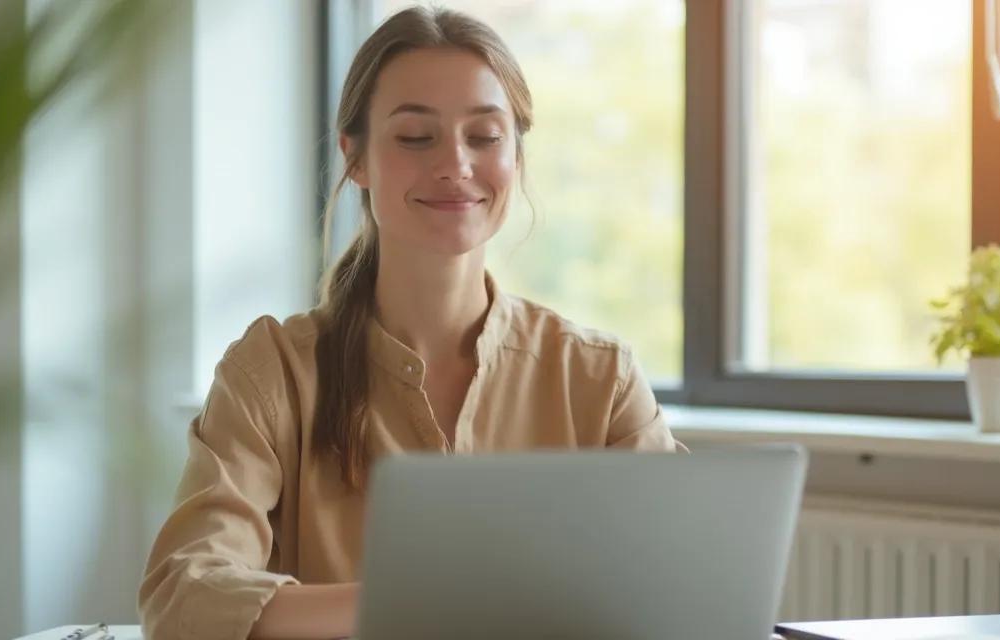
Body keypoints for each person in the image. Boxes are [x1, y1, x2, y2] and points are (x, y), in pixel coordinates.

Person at [138, 6, 684, 639]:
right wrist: (421, 601)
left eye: (484, 136)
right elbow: (183, 597)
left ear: (516, 156)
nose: (455, 164)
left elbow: (679, 585)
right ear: (357, 159)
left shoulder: (599, 378)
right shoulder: (272, 371)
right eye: (415, 137)